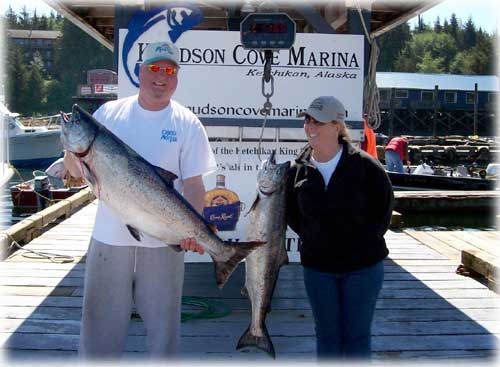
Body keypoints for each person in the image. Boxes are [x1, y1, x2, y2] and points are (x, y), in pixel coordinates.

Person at [64, 41, 216, 359]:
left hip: (164, 243)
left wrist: (194, 230)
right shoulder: (108, 113)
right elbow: (77, 171)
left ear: (176, 78)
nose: (161, 76)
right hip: (109, 240)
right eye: (154, 68)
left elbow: (193, 184)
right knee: (98, 330)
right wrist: (70, 149)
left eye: (169, 70)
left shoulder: (188, 124)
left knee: (164, 333)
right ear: (139, 72)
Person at [286, 96, 394, 360]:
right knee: (327, 337)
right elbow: (293, 216)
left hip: (363, 269)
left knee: (357, 338)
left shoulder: (367, 167)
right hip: (318, 270)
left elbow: (384, 213)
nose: (310, 126)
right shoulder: (297, 170)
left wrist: (358, 243)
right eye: (308, 120)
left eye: (318, 121)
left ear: (337, 126)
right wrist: (316, 239)